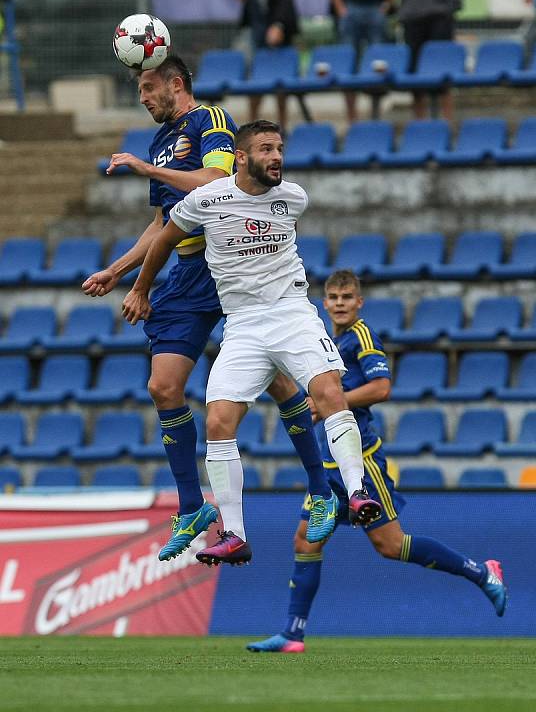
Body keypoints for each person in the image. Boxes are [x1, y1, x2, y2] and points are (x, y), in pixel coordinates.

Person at [82, 58, 334, 561]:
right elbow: (167, 222)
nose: (143, 97)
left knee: (282, 380)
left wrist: (146, 168)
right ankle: (194, 506)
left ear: (176, 84)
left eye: (149, 86)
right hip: (189, 271)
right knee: (163, 386)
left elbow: (212, 185)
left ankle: (321, 490)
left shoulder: (211, 122)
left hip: (238, 265)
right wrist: (120, 271)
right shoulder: (160, 142)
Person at [121, 120, 383, 566]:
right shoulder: (206, 200)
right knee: (219, 421)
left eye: (279, 148)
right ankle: (235, 534)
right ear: (241, 157)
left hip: (292, 315)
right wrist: (141, 287)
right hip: (242, 325)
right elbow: (165, 239)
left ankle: (355, 493)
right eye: (266, 149)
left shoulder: (293, 197)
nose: (277, 156)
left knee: (328, 391)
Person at [246, 270, 508, 653]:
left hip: (361, 461)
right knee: (304, 540)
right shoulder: (326, 340)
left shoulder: (362, 338)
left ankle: (482, 573)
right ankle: (292, 633)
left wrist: (327, 402)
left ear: (359, 302)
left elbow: (382, 387)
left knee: (391, 545)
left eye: (346, 297)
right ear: (324, 302)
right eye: (333, 296)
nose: (338, 303)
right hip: (328, 464)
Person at [234, 0, 298, 132]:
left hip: (276, 26)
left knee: (280, 80)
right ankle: (252, 128)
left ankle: (282, 126)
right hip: (254, 25)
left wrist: (279, 24)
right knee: (254, 78)